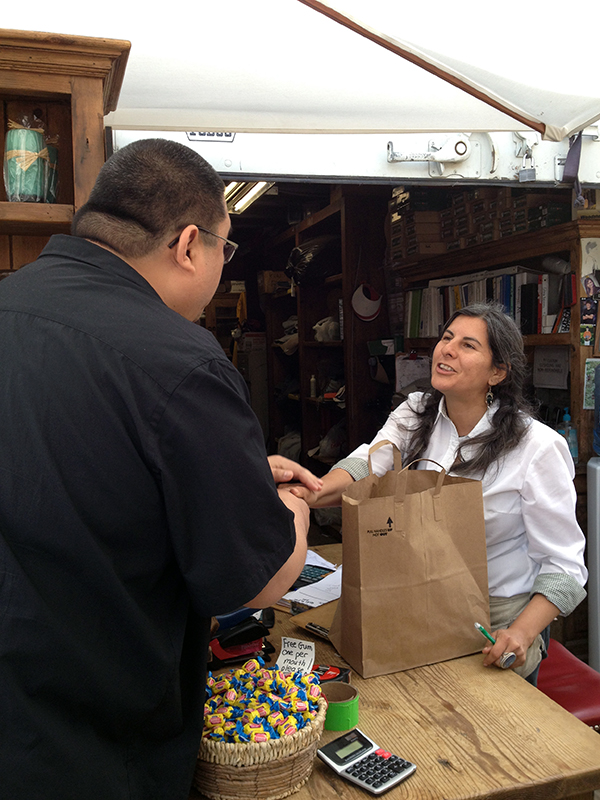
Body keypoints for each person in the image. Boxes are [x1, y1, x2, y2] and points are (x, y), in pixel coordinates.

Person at [0, 138, 322, 800]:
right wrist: (286, 503)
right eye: (224, 250)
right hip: (95, 746)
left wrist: (226, 472)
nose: (221, 270)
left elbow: (72, 466)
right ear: (188, 245)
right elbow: (258, 580)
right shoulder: (181, 360)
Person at [288, 302, 587, 685]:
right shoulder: (416, 413)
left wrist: (522, 632)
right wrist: (308, 492)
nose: (446, 350)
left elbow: (566, 567)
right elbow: (368, 464)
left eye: (467, 345)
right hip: (418, 597)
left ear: (498, 372)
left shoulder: (536, 447)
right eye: (446, 338)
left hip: (495, 620)